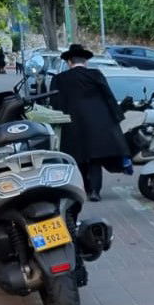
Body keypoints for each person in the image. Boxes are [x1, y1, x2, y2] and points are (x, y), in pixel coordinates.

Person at [50, 43, 129, 201]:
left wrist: (56, 122)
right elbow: (108, 96)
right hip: (98, 124)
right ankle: (94, 191)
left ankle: (82, 189)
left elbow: (54, 101)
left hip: (71, 124)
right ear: (85, 61)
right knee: (95, 159)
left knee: (77, 158)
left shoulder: (59, 79)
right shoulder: (95, 75)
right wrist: (117, 116)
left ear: (69, 62)